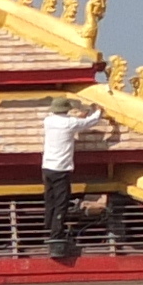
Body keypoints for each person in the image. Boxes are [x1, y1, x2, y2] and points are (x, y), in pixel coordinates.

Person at [37, 95, 103, 261]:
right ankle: (56, 232)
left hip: (47, 167)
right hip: (61, 169)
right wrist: (98, 111)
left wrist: (84, 112)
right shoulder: (70, 123)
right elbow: (89, 122)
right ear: (66, 110)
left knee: (50, 199)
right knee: (62, 202)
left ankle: (48, 224)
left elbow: (75, 120)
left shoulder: (49, 121)